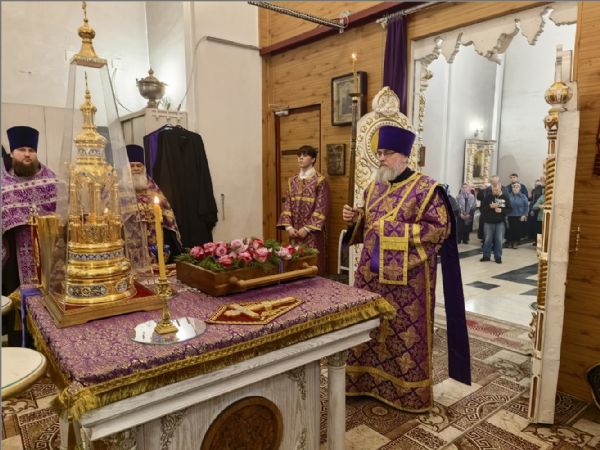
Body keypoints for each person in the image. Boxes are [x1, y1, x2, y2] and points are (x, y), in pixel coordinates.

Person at [342, 125, 470, 412]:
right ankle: (363, 382)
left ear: (404, 156)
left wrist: (392, 229)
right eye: (379, 153)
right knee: (368, 330)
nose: (381, 158)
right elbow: (369, 223)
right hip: (370, 277)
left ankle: (406, 392)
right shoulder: (373, 187)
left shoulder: (427, 189)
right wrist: (355, 218)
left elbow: (440, 230)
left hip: (408, 282)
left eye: (387, 153)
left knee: (402, 336)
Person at [2, 126, 58, 346]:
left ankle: (50, 351)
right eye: (21, 150)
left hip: (48, 258)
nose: (27, 154)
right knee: (16, 312)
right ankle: (20, 351)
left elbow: (64, 214)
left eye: (31, 150)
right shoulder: (4, 185)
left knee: (50, 308)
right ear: (12, 153)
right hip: (14, 262)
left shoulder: (51, 180)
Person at [277, 145, 330, 274]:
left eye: (305, 155)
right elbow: (287, 204)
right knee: (294, 265)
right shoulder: (292, 181)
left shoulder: (320, 181)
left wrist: (306, 229)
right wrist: (289, 227)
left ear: (313, 159)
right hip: (294, 232)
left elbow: (321, 208)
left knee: (313, 265)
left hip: (312, 233)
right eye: (299, 156)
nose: (300, 158)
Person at [127, 145, 182, 262]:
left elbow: (166, 209)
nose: (136, 169)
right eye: (132, 166)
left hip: (153, 237)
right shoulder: (117, 187)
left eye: (139, 165)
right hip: (130, 239)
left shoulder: (151, 185)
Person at [480, 183, 512, 263]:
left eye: (497, 190)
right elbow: (482, 209)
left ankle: (498, 257)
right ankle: (486, 256)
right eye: (493, 190)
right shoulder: (488, 197)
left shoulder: (505, 197)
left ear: (500, 188)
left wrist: (501, 210)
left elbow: (510, 209)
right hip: (488, 222)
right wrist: (490, 206)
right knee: (487, 240)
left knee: (499, 240)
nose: (495, 191)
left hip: (500, 223)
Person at [506, 182, 529, 248]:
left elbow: (526, 206)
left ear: (519, 188)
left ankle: (515, 242)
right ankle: (509, 241)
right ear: (512, 188)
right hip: (510, 215)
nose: (515, 188)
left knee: (517, 229)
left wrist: (524, 215)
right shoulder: (508, 196)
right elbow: (505, 205)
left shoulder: (523, 196)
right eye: (514, 187)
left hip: (519, 215)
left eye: (517, 187)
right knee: (510, 229)